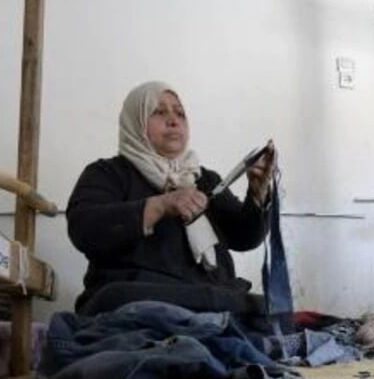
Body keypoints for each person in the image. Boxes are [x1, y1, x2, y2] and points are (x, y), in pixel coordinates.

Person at [67, 81, 277, 316]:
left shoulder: (204, 179)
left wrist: (258, 193)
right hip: (141, 294)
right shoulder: (108, 173)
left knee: (269, 308)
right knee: (116, 298)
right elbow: (84, 229)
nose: (173, 121)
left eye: (180, 114)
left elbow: (245, 237)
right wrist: (160, 206)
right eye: (159, 112)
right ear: (135, 121)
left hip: (209, 297)